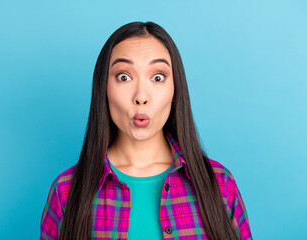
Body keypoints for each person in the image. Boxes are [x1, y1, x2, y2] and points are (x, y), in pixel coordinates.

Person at [40, 21, 252, 240]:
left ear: (175, 89)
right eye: (124, 77)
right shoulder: (66, 191)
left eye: (158, 77)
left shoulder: (220, 184)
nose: (141, 96)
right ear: (104, 88)